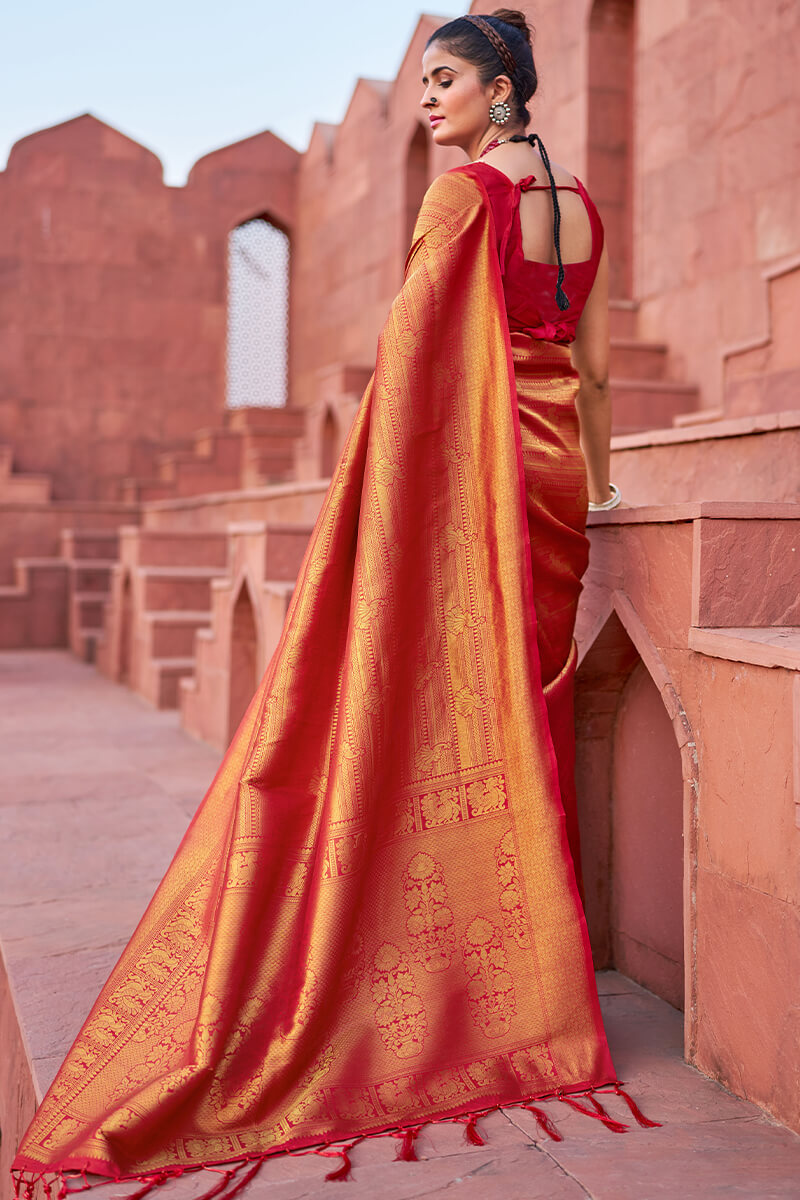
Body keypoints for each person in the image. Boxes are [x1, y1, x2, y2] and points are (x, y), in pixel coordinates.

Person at [12, 11, 655, 1199]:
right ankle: (518, 978)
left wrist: (376, 517)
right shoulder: (580, 208)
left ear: (499, 88)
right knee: (517, 713)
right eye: (421, 81)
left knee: (443, 719)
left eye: (446, 78)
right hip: (558, 474)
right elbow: (597, 365)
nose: (428, 100)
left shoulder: (462, 198)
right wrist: (599, 485)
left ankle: (454, 986)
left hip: (488, 481)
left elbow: (411, 366)